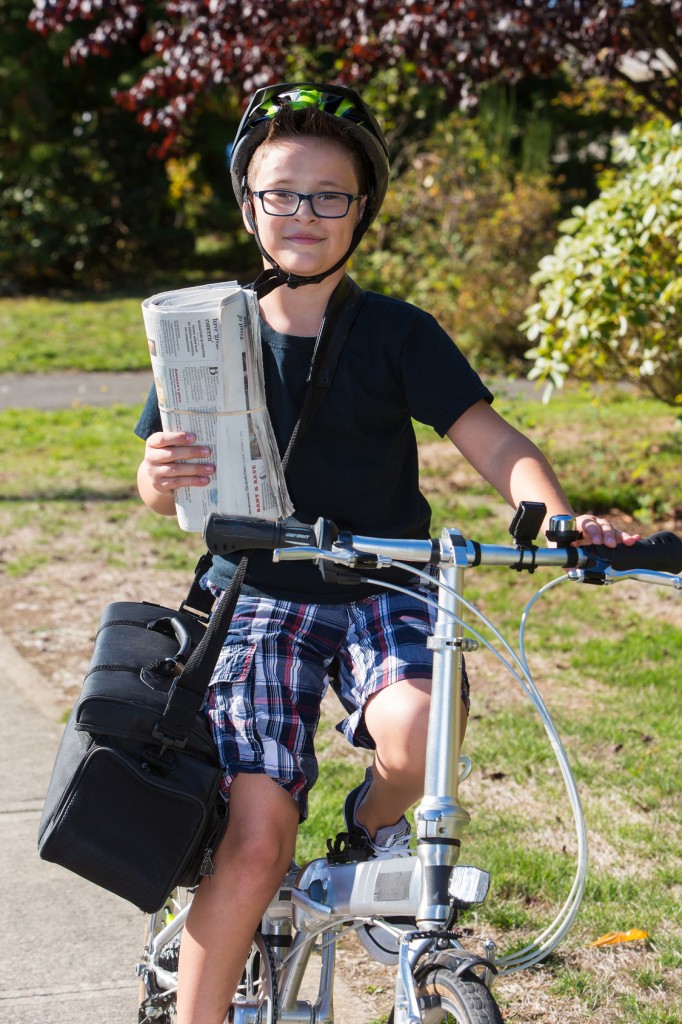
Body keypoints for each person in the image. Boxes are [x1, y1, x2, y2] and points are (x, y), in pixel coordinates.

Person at [135, 82, 638, 1024]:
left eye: (332, 194)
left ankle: (365, 837)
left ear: (362, 209)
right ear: (248, 204)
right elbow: (156, 479)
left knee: (417, 738)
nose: (305, 214)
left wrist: (556, 515)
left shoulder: (398, 332)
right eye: (282, 193)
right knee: (255, 840)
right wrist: (158, 477)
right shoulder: (205, 330)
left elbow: (494, 442)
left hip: (383, 579)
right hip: (260, 590)